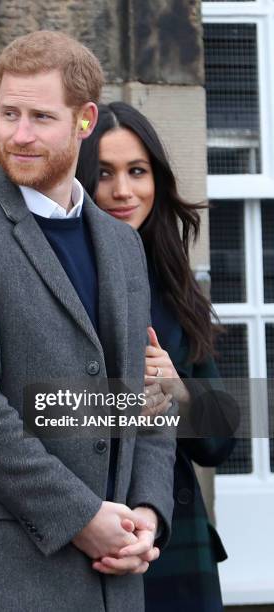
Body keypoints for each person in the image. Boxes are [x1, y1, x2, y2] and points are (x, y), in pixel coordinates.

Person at [0, 33, 177, 612]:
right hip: (4, 579)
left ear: (84, 121)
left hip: (118, 579)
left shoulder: (123, 245)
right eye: (8, 114)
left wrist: (148, 514)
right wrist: (81, 517)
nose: (19, 135)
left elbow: (146, 396)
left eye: (41, 117)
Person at [76, 101, 237, 612]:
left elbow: (217, 442)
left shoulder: (174, 285)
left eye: (137, 171)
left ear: (157, 181)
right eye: (104, 173)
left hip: (177, 541)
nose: (123, 191)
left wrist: (179, 391)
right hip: (84, 534)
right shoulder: (54, 280)